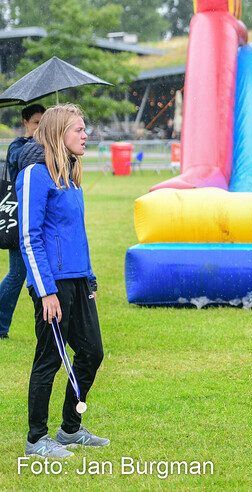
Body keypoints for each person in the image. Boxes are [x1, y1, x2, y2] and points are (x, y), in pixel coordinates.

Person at [16, 104, 108, 458]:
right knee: (50, 360)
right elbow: (29, 236)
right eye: (78, 130)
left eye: (85, 129)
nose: (86, 135)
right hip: (51, 285)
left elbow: (76, 234)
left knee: (91, 353)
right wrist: (46, 292)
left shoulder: (70, 175)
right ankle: (36, 439)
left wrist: (91, 279)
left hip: (78, 282)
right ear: (58, 134)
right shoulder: (35, 174)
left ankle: (70, 429)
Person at [0, 104, 45, 340]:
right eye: (36, 122)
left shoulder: (48, 145)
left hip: (42, 217)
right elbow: (22, 163)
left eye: (43, 122)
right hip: (21, 218)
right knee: (17, 274)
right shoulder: (17, 147)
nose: (40, 126)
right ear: (25, 122)